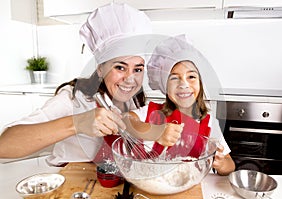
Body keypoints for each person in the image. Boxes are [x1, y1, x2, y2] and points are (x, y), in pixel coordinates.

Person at [0, 3, 153, 166]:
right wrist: (77, 123)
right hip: (73, 184)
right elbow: (4, 145)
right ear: (100, 68)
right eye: (120, 67)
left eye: (137, 69)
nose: (130, 79)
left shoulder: (134, 101)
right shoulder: (73, 98)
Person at [124, 35, 235, 176]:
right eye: (174, 78)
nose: (184, 84)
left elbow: (230, 165)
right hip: (153, 186)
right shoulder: (151, 112)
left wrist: (221, 164)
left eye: (191, 77)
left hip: (191, 189)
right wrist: (155, 131)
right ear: (165, 85)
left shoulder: (209, 123)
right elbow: (126, 120)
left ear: (200, 82)